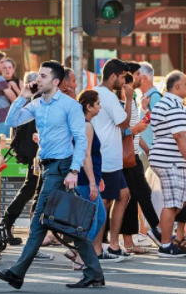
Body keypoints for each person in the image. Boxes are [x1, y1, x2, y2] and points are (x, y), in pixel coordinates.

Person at [0, 60, 104, 289]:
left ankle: (17, 273)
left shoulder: (70, 106)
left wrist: (73, 170)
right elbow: (12, 120)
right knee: (61, 221)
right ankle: (94, 272)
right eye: (38, 76)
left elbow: (81, 140)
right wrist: (22, 95)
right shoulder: (37, 104)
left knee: (40, 221)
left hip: (61, 169)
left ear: (56, 81)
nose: (37, 79)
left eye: (43, 76)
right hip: (45, 169)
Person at [149, 71, 186, 258]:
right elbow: (179, 136)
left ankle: (161, 231)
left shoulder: (170, 103)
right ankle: (165, 245)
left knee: (183, 198)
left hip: (174, 161)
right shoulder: (172, 105)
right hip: (171, 161)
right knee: (171, 203)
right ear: (177, 87)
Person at [91, 58, 134, 261]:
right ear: (113, 76)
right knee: (105, 202)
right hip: (106, 158)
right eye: (123, 77)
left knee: (123, 195)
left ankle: (114, 245)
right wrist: (129, 99)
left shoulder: (101, 93)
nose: (125, 82)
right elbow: (124, 122)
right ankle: (98, 249)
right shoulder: (107, 95)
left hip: (110, 158)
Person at [65, 90, 107, 270]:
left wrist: (98, 178)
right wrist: (92, 182)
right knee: (92, 219)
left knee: (99, 216)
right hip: (84, 178)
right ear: (89, 106)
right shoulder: (86, 125)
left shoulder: (80, 123)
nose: (100, 107)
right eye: (97, 104)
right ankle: (81, 256)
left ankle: (77, 251)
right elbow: (86, 155)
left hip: (87, 177)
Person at [116, 69, 156, 255]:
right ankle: (157, 233)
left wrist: (148, 151)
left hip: (133, 156)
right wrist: (135, 129)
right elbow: (123, 130)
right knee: (140, 196)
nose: (141, 77)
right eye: (137, 74)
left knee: (133, 199)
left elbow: (136, 131)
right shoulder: (123, 102)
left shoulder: (131, 101)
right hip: (125, 158)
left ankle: (130, 242)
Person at [0, 72, 41, 245]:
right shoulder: (34, 102)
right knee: (32, 189)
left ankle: (6, 223)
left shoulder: (29, 102)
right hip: (36, 155)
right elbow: (13, 124)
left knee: (31, 188)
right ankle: (7, 224)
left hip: (33, 153)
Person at [138, 62, 163, 154]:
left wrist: (145, 109)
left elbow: (157, 121)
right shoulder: (147, 96)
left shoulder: (154, 97)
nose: (134, 78)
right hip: (145, 150)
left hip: (149, 151)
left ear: (144, 78)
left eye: (137, 74)